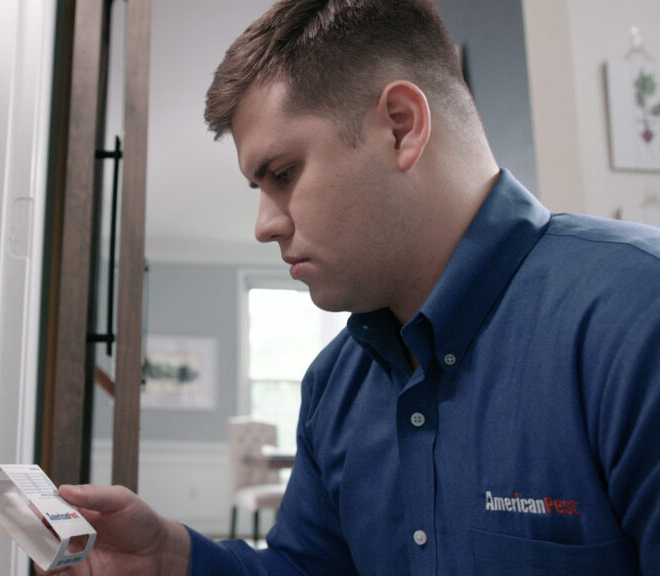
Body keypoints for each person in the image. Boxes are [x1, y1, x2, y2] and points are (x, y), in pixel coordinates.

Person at [41, 0, 660, 574]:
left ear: (401, 125)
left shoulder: (635, 317)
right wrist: (176, 557)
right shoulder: (334, 383)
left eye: (282, 174)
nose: (264, 225)